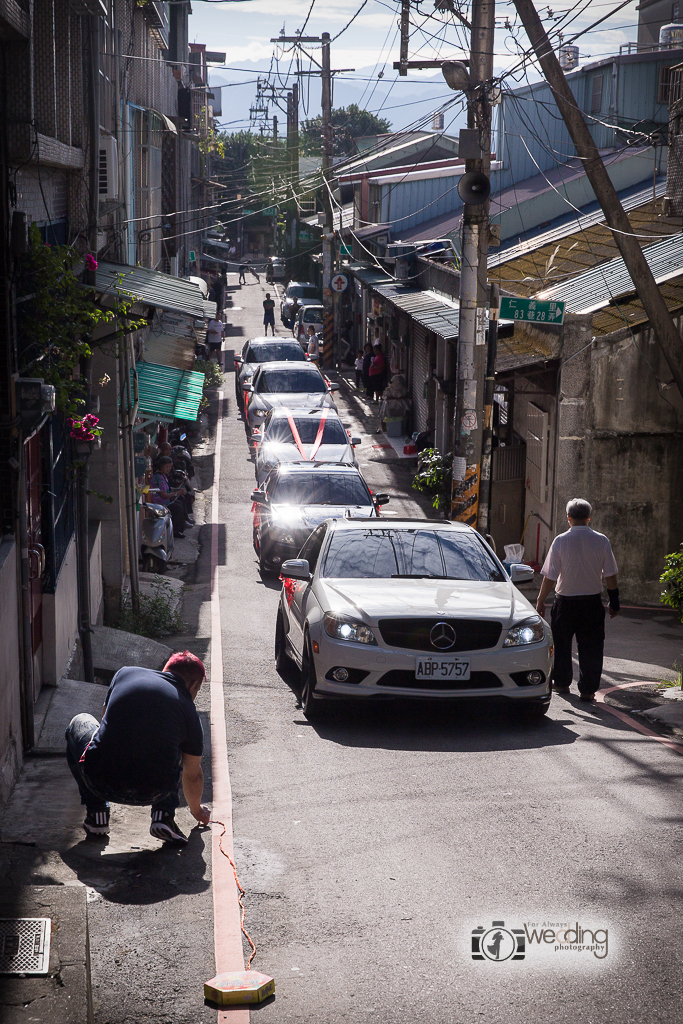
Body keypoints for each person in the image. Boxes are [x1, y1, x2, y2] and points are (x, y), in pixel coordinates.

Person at [65, 651, 210, 843]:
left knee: (80, 720)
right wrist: (198, 812)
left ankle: (97, 813)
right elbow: (193, 775)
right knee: (173, 742)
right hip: (155, 791)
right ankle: (163, 816)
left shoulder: (125, 673)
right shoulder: (189, 713)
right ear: (193, 685)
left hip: (99, 780)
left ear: (165, 670)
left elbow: (105, 719)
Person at [535, 498, 620, 702]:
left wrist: (540, 601)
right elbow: (610, 575)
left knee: (562, 645)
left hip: (565, 602)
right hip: (592, 603)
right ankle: (588, 690)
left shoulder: (560, 541)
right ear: (589, 518)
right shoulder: (601, 540)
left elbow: (550, 577)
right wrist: (614, 602)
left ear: (568, 518)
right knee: (591, 647)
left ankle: (562, 683)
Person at [149, 457, 190, 537]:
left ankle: (184, 522)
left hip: (165, 500)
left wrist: (177, 490)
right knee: (177, 507)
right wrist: (177, 493)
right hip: (160, 503)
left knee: (180, 501)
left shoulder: (163, 476)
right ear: (161, 466)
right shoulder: (159, 478)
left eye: (169, 467)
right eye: (166, 467)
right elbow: (164, 495)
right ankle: (176, 531)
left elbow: (167, 489)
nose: (168, 469)